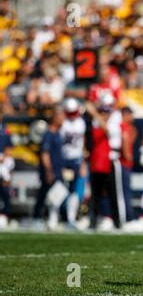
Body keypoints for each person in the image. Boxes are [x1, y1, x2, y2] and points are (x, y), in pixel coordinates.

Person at [86, 93, 125, 230]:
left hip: (112, 160)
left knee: (114, 193)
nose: (104, 113)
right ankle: (93, 219)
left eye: (106, 110)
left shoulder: (115, 119)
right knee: (96, 193)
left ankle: (118, 221)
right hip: (98, 160)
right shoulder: (98, 120)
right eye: (102, 110)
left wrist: (94, 113)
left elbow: (107, 129)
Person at [32, 107, 65, 230]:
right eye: (60, 117)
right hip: (50, 170)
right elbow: (45, 154)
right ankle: (37, 217)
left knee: (57, 194)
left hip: (57, 169)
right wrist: (48, 170)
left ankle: (52, 218)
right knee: (44, 193)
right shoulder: (48, 134)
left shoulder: (58, 133)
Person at [60, 97, 86, 228]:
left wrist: (83, 162)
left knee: (76, 190)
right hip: (64, 159)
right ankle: (57, 217)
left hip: (76, 159)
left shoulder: (81, 122)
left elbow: (83, 144)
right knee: (61, 189)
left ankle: (70, 218)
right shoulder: (62, 123)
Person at [0, 108, 14, 229]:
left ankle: (5, 213)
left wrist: (4, 156)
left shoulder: (5, 130)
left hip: (3, 161)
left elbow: (9, 148)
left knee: (5, 186)